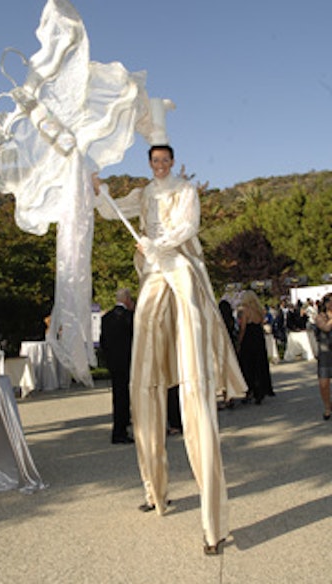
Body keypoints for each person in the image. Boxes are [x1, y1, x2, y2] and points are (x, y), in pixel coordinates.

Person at [93, 143, 247, 555]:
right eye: (154, 161)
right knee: (142, 357)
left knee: (194, 324)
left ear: (172, 162)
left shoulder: (186, 190)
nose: (159, 165)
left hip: (178, 266)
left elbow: (188, 228)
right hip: (153, 274)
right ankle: (154, 490)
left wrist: (159, 243)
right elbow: (111, 209)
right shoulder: (144, 193)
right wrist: (95, 188)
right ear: (149, 164)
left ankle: (213, 522)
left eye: (164, 160)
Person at [100, 288, 134, 444]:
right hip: (127, 361)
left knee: (118, 395)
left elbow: (103, 342)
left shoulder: (106, 318)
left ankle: (122, 424)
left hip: (114, 362)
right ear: (127, 299)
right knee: (125, 396)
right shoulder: (129, 317)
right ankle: (120, 430)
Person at [238, 290, 275, 404]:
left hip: (249, 339)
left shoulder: (244, 311)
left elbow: (243, 327)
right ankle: (261, 389)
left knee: (248, 366)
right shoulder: (259, 310)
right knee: (259, 364)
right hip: (258, 338)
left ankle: (250, 390)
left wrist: (239, 341)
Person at [314, 294, 332, 420]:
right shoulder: (320, 317)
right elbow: (325, 328)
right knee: (324, 383)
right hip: (325, 353)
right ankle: (327, 407)